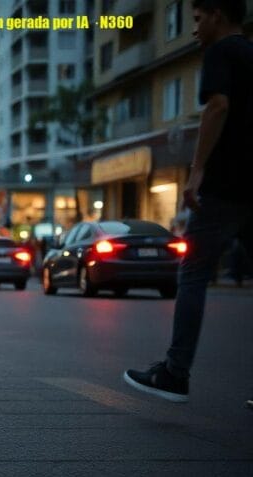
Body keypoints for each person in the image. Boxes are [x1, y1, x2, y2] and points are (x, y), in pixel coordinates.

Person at [124, 0, 253, 404]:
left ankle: (175, 373)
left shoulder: (221, 52)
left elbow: (218, 106)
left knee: (193, 272)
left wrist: (196, 172)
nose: (194, 29)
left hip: (225, 186)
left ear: (218, 14)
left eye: (197, 19)